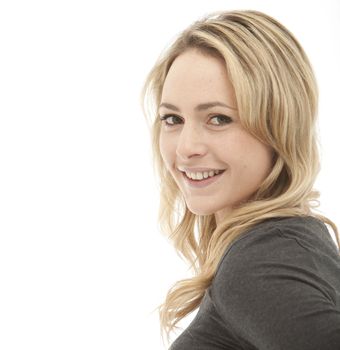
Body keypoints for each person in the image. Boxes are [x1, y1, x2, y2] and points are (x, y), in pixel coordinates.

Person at [141, 9, 340, 350]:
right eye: (172, 118)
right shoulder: (287, 242)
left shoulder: (257, 264)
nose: (186, 148)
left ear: (278, 126)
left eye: (218, 118)